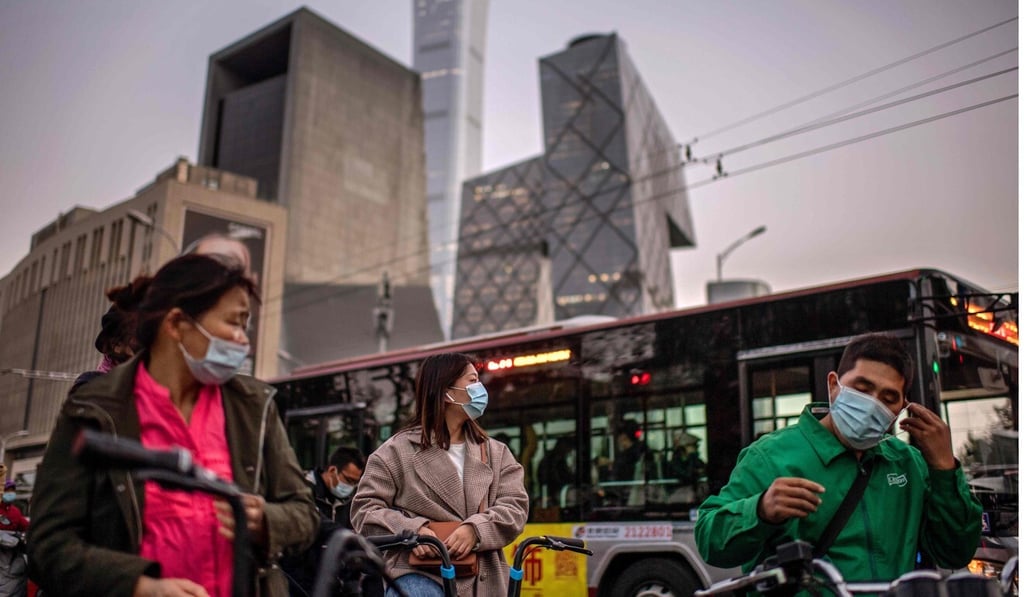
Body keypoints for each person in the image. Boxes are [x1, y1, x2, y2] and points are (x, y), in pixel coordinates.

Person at [27, 254, 318, 597]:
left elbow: (305, 513)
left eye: (245, 325)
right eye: (234, 323)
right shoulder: (93, 409)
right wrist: (138, 585)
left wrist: (267, 521)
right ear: (177, 323)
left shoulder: (255, 407)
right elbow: (48, 544)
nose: (243, 340)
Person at [695, 333, 983, 585]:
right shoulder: (771, 456)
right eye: (861, 387)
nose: (873, 404)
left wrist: (945, 467)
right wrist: (760, 510)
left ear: (901, 407)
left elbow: (954, 552)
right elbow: (710, 540)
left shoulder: (908, 462)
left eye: (889, 397)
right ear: (834, 385)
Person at [351, 353, 529, 597]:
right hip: (418, 576)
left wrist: (475, 530)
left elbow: (515, 506)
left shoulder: (496, 452)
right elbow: (365, 510)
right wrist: (413, 531)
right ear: (446, 390)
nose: (480, 389)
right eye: (472, 380)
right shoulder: (395, 451)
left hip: (483, 579)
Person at [282, 446, 369, 596]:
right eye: (348, 480)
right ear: (332, 471)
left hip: (329, 579)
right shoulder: (303, 491)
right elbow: (315, 524)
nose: (350, 487)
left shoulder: (348, 501)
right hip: (298, 578)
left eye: (355, 483)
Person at [536, 437, 574, 507]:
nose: (569, 452)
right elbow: (560, 477)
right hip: (553, 493)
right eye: (569, 448)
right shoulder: (553, 461)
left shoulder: (555, 459)